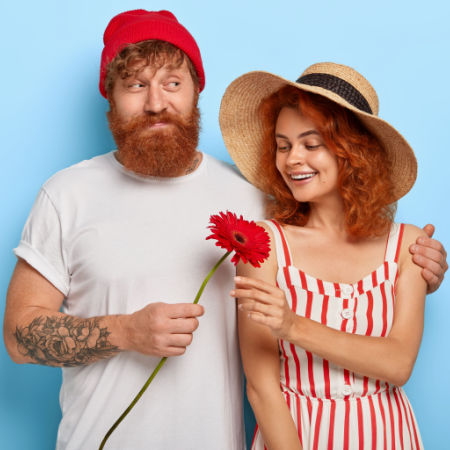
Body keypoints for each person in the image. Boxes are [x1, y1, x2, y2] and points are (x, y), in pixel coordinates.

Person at [2, 9, 446, 450]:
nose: (156, 102)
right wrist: (126, 332)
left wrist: (419, 266)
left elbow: (338, 250)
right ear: (111, 97)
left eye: (172, 83)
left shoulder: (256, 196)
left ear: (197, 90)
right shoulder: (66, 194)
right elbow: (18, 337)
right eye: (135, 84)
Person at [219, 63, 440, 449]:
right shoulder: (263, 247)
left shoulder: (408, 246)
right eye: (283, 145)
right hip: (294, 435)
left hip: (386, 434)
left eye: (311, 143)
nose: (291, 160)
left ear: (352, 151)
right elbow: (261, 387)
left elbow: (398, 364)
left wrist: (291, 325)